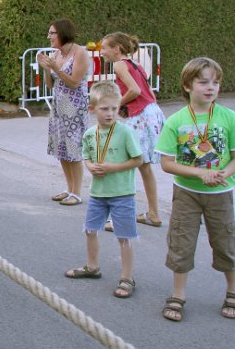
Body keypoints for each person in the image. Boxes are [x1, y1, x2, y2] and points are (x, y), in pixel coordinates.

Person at [155, 57, 235, 322]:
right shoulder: (176, 121)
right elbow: (167, 163)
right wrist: (202, 173)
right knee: (181, 242)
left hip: (220, 193)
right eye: (203, 82)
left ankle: (232, 292)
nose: (211, 87)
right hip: (186, 193)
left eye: (215, 81)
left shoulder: (228, 117)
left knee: (226, 243)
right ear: (188, 85)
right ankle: (178, 295)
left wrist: (225, 172)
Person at [65, 81, 142, 298]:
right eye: (104, 109)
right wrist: (90, 167)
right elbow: (87, 157)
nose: (110, 114)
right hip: (98, 194)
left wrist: (113, 167)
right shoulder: (90, 134)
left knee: (124, 236)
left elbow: (138, 160)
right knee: (90, 230)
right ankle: (92, 266)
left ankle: (127, 277)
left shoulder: (125, 132)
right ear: (92, 109)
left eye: (114, 109)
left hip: (122, 193)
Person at [98, 32, 166, 231]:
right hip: (150, 113)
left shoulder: (119, 65)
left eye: (104, 48)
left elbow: (134, 90)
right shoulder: (136, 65)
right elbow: (148, 92)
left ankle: (120, 217)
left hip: (139, 117)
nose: (101, 52)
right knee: (143, 167)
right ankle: (153, 213)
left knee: (121, 165)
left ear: (116, 49)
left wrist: (114, 106)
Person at [38, 18, 91, 206]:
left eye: (52, 33)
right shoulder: (57, 54)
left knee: (73, 149)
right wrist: (46, 70)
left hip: (75, 108)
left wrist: (55, 68)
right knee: (62, 149)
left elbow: (74, 82)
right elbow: (51, 84)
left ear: (62, 33)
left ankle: (77, 192)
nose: (49, 37)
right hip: (59, 107)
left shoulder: (80, 53)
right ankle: (69, 188)